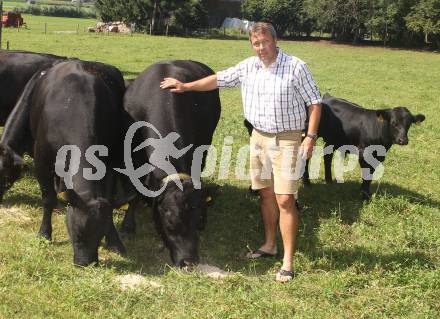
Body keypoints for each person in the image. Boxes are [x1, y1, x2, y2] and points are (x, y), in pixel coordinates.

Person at [160, 22, 321, 282]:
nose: (261, 48)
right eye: (256, 43)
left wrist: (310, 136)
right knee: (266, 194)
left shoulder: (296, 67)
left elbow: (314, 102)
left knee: (285, 199)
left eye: (265, 42)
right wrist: (186, 86)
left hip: (288, 139)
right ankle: (270, 245)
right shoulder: (248, 67)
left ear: (275, 41)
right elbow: (218, 79)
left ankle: (288, 262)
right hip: (258, 137)